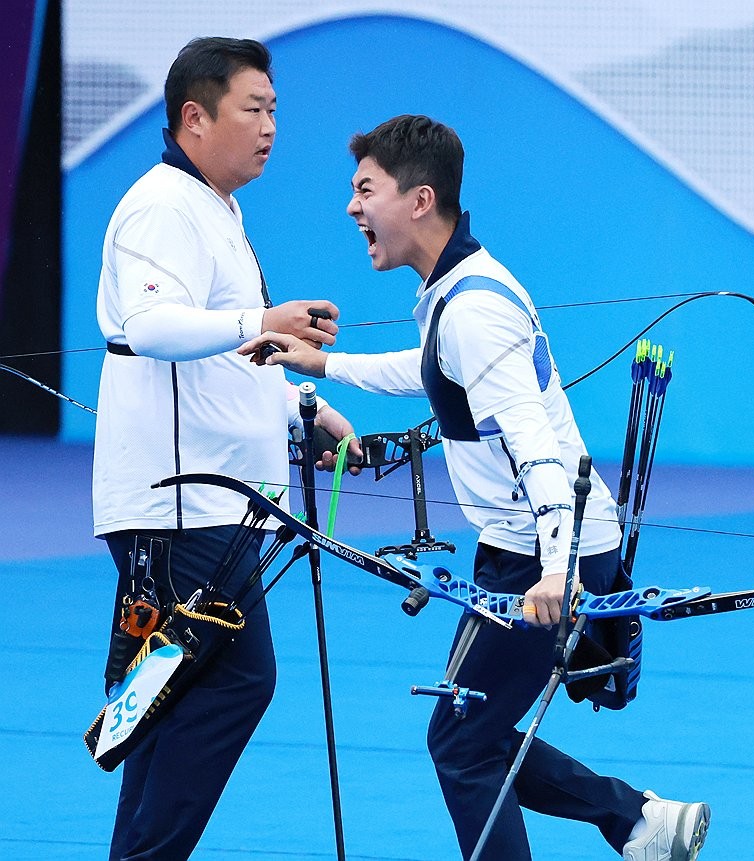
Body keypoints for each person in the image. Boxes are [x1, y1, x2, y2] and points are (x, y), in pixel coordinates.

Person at [238, 114, 710, 861]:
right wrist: (320, 364)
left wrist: (557, 570)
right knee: (469, 736)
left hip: (541, 557)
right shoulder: (459, 289)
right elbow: (430, 368)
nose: (352, 207)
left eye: (366, 189)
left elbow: (538, 454)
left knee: (462, 742)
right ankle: (638, 819)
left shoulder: (476, 309)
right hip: (529, 550)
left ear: (420, 199)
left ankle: (635, 817)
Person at [94, 37, 359, 860]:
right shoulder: (163, 205)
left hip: (215, 503)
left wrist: (297, 411)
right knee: (234, 681)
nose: (270, 125)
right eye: (254, 108)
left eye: (274, 109)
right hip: (181, 504)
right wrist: (261, 323)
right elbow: (152, 326)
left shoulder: (215, 207)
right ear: (194, 117)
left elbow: (217, 359)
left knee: (166, 696)